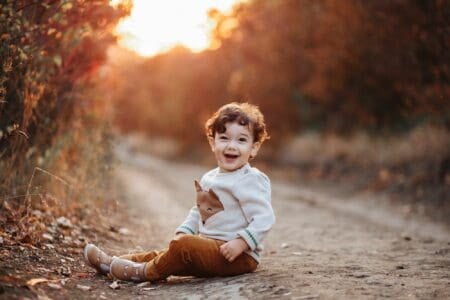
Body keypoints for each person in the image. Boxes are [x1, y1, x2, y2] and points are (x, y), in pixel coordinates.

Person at [83, 102, 276, 282]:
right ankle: (113, 262)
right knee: (169, 252)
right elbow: (199, 210)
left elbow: (264, 218)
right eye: (224, 138)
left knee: (184, 247)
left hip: (238, 255)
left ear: (254, 148)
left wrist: (241, 243)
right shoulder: (210, 177)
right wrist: (185, 230)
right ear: (213, 143)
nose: (231, 145)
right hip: (209, 248)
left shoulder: (250, 179)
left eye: (241, 140)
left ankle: (144, 272)